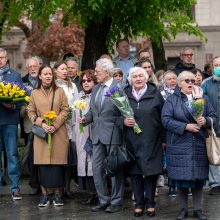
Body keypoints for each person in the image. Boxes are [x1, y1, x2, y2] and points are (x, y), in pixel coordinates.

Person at [162, 71, 216, 220]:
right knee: (181, 179)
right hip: (179, 145)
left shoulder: (203, 98)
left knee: (198, 180)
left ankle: (198, 210)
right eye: (187, 80)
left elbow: (214, 116)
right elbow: (165, 119)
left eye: (193, 80)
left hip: (199, 144)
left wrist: (205, 121)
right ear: (180, 83)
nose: (191, 83)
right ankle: (183, 210)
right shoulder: (172, 100)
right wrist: (185, 126)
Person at [78, 58, 124, 213]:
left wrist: (115, 124)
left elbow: (125, 113)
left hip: (112, 136)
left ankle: (116, 201)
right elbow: (93, 112)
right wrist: (85, 119)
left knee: (114, 170)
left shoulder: (118, 88)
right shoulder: (96, 89)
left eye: (97, 71)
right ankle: (103, 199)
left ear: (107, 72)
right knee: (96, 169)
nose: (95, 73)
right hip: (97, 136)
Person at [124, 67, 164, 217]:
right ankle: (139, 204)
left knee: (150, 173)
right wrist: (122, 121)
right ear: (130, 80)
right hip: (132, 139)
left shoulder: (155, 94)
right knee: (135, 173)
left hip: (151, 139)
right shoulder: (124, 94)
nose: (138, 79)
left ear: (146, 77)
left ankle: (150, 203)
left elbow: (164, 117)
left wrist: (164, 140)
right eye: (134, 76)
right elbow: (114, 116)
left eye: (141, 75)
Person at [27, 65, 69, 207]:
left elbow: (65, 110)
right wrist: (42, 123)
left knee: (57, 165)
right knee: (42, 165)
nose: (48, 76)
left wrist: (55, 125)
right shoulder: (34, 93)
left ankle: (58, 194)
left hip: (58, 133)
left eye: (50, 74)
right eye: (45, 74)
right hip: (41, 134)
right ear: (39, 76)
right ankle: (44, 195)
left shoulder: (60, 91)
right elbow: (31, 112)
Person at [0, 48, 23, 200]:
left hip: (9, 121)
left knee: (12, 154)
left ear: (6, 58)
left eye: (1, 57)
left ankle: (15, 188)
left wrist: (12, 105)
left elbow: (22, 98)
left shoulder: (15, 75)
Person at [54, 61, 78, 199]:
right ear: (55, 71)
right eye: (62, 69)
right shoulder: (54, 85)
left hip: (69, 125)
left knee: (69, 159)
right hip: (57, 124)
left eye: (66, 69)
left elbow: (75, 104)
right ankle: (58, 187)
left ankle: (67, 187)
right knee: (59, 158)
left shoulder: (72, 85)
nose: (65, 71)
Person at [74, 69, 98, 205]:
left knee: (95, 163)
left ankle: (99, 192)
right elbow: (73, 118)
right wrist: (74, 136)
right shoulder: (79, 97)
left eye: (89, 80)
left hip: (94, 133)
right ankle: (90, 194)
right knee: (84, 163)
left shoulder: (97, 96)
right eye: (83, 81)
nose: (86, 83)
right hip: (81, 134)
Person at [20, 56, 41, 195]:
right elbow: (19, 105)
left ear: (39, 66)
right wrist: (24, 109)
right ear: (27, 68)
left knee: (43, 155)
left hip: (45, 123)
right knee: (31, 156)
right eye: (30, 66)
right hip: (29, 124)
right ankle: (34, 184)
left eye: (35, 66)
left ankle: (44, 182)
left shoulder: (45, 79)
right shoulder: (22, 82)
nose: (33, 68)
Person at [202, 56, 220, 195]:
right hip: (213, 125)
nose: (218, 67)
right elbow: (201, 103)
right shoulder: (206, 84)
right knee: (213, 153)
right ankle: (215, 184)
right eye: (216, 65)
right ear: (212, 67)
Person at [160, 71, 177, 196]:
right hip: (166, 132)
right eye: (169, 79)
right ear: (164, 81)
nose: (172, 81)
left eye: (174, 78)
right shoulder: (160, 95)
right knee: (170, 161)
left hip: (180, 132)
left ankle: (183, 186)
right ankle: (171, 186)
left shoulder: (181, 93)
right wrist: (163, 138)